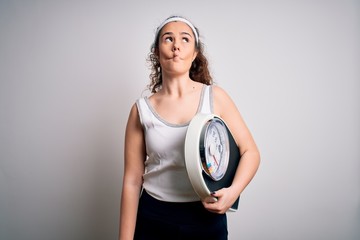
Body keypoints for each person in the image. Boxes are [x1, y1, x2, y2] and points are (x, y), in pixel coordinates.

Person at [119, 15, 260, 240]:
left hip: (205, 217)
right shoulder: (141, 110)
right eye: (168, 39)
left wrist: (233, 193)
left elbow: (251, 153)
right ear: (156, 52)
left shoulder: (215, 97)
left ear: (194, 54)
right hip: (154, 217)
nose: (176, 45)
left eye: (185, 39)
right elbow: (132, 181)